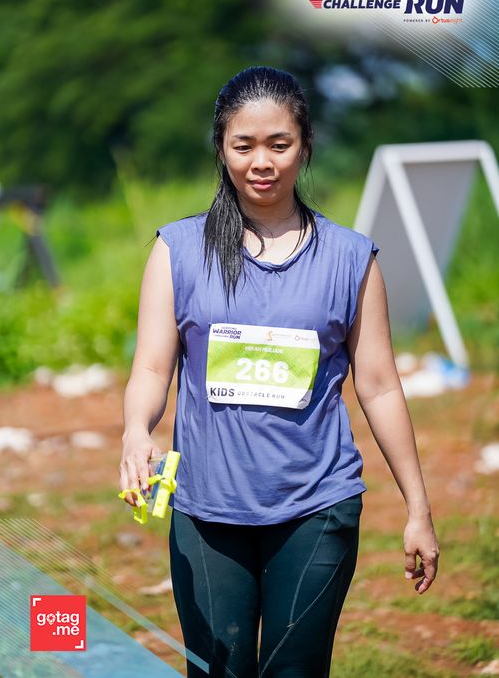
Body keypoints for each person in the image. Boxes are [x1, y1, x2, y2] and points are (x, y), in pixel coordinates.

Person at [119, 66, 440, 677]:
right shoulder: (177, 250)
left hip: (318, 505)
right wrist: (137, 430)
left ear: (305, 146)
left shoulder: (351, 258)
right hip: (206, 511)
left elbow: (379, 387)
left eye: (279, 144)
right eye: (243, 146)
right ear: (222, 149)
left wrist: (417, 507)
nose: (261, 162)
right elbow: (153, 367)